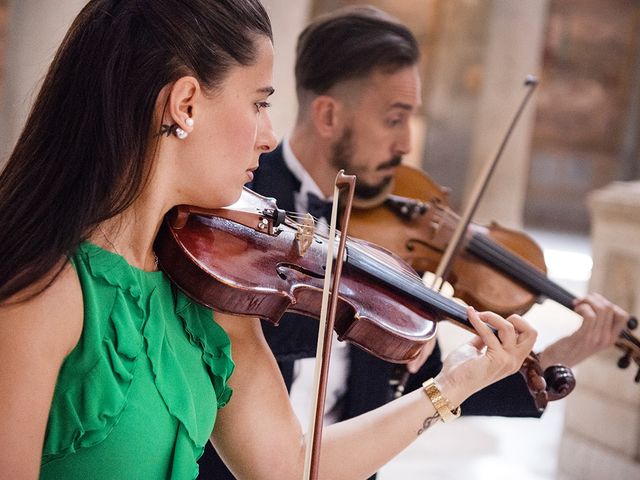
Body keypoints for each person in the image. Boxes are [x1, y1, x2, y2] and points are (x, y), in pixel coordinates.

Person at [0, 1, 544, 479]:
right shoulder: (44, 294)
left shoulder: (206, 286)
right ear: (186, 103)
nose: (270, 134)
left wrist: (451, 386)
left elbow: (290, 466)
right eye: (259, 102)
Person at [196, 5, 631, 480]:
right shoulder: (235, 207)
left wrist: (550, 358)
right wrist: (341, 311)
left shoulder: (385, 244)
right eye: (393, 119)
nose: (406, 143)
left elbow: (430, 380)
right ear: (327, 116)